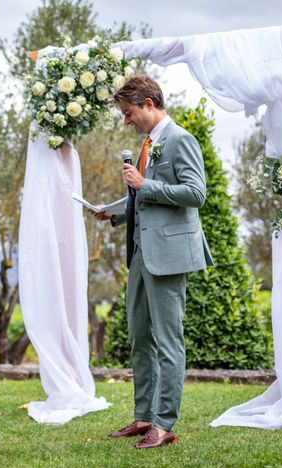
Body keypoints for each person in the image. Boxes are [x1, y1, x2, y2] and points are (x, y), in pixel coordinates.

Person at [91, 75, 213, 448]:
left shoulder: (180, 140)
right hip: (141, 257)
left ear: (148, 103)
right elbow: (144, 201)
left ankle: (165, 423)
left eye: (128, 113)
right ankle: (144, 416)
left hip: (171, 257)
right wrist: (114, 214)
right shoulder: (146, 145)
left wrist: (146, 185)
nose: (126, 121)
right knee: (140, 337)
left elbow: (196, 193)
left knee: (168, 340)